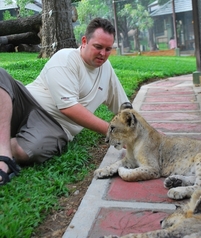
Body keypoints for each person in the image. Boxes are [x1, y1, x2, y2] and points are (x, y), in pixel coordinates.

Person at [0, 17, 129, 185]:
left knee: (27, 152)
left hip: (54, 125)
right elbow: (69, 108)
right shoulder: (66, 58)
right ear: (84, 41)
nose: (103, 54)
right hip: (27, 102)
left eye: (108, 49)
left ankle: (10, 145)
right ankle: (3, 153)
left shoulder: (106, 70)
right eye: (98, 47)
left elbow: (125, 107)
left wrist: (145, 134)